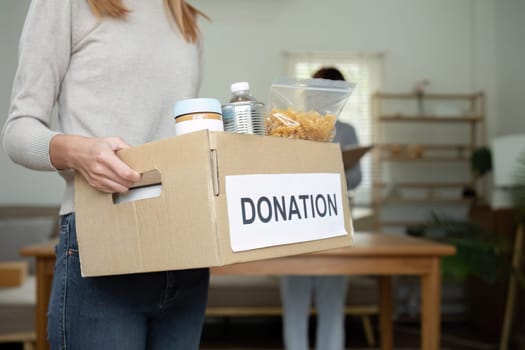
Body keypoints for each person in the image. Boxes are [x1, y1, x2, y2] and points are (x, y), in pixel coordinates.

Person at [2, 1, 210, 349]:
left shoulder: (184, 14)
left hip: (183, 248)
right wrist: (79, 152)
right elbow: (17, 130)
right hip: (101, 244)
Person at [280, 67, 362, 350]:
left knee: (332, 303)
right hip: (296, 225)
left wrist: (333, 165)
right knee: (295, 304)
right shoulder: (293, 127)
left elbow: (357, 179)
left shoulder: (348, 130)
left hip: (335, 225)